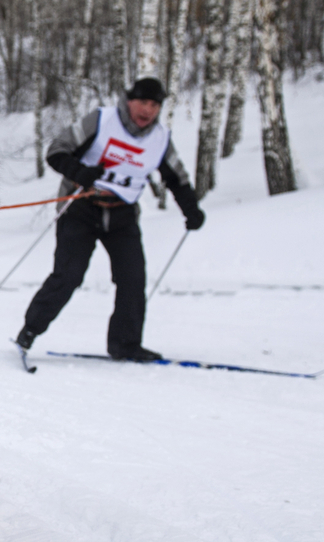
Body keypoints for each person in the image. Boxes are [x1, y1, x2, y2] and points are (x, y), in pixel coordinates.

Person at [15, 77, 205, 361]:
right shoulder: (102, 120)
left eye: (154, 105)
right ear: (129, 100)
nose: (147, 110)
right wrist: (80, 172)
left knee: (132, 278)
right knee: (69, 275)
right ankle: (30, 331)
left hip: (122, 214)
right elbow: (56, 152)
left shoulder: (160, 139)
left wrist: (191, 210)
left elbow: (176, 178)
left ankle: (125, 344)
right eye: (142, 102)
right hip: (81, 209)